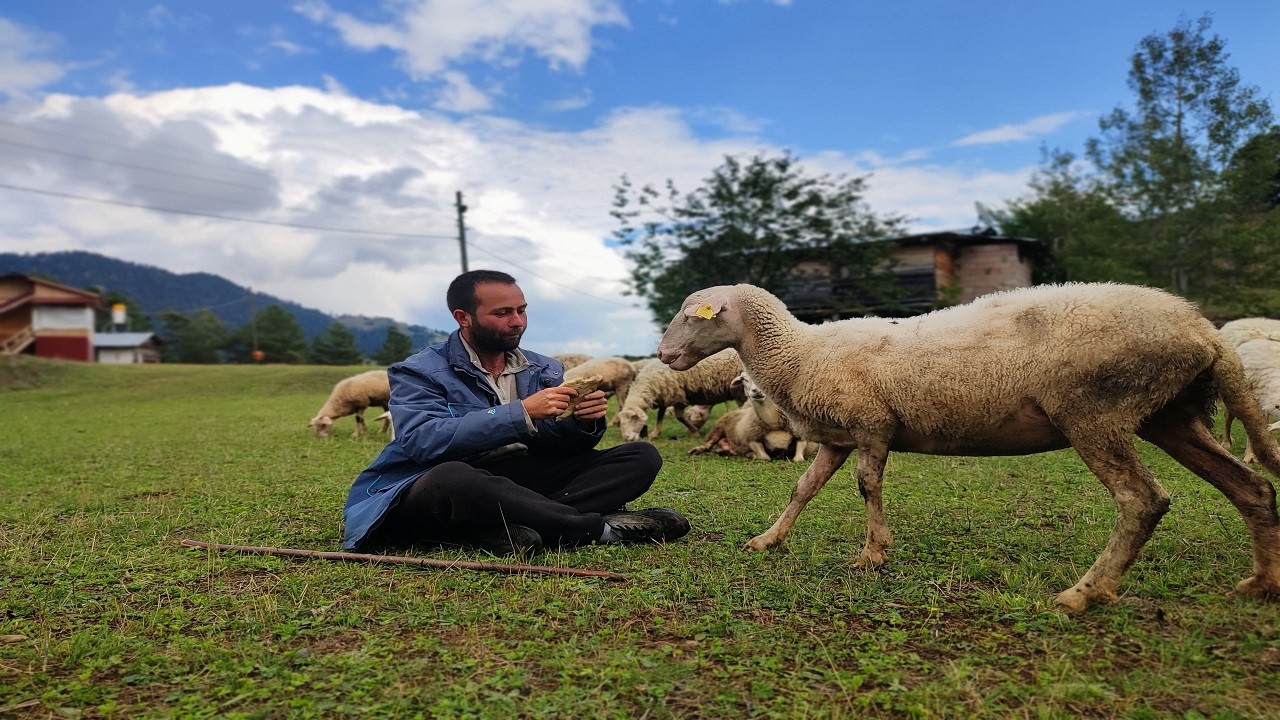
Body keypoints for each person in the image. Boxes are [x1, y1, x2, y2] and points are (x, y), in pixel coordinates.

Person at [341, 269, 690, 558]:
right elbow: (422, 442)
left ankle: (501, 527)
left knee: (640, 456)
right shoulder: (418, 371)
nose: (517, 322)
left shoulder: (543, 367)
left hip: (516, 478)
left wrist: (583, 423)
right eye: (503, 313)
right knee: (456, 478)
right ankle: (595, 529)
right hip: (436, 479)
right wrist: (521, 412)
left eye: (522, 310)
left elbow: (555, 447)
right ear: (463, 318)